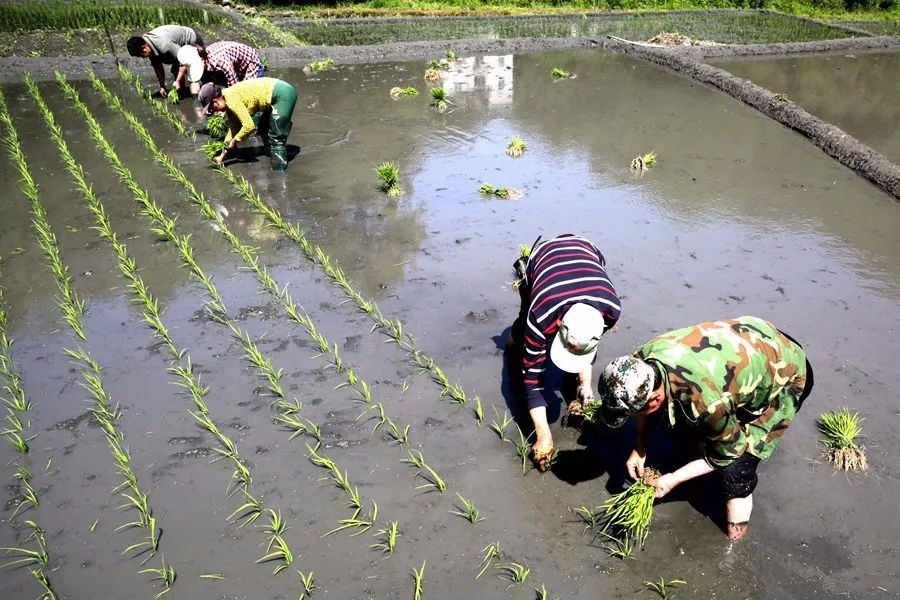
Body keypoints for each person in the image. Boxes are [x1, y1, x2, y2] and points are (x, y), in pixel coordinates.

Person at [596, 316, 814, 541]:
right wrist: (640, 448)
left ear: (654, 398)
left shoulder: (707, 403)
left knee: (736, 468)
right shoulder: (638, 364)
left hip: (788, 373)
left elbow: (729, 452)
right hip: (753, 341)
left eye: (635, 412)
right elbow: (649, 410)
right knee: (694, 427)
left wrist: (672, 479)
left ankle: (734, 536)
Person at [509, 234, 621, 470]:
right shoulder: (541, 315)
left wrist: (586, 387)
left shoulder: (611, 310)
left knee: (580, 349)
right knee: (522, 335)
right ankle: (512, 339)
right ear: (559, 323)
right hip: (544, 256)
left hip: (587, 248)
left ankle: (578, 384)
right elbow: (532, 382)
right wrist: (543, 434)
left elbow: (589, 343)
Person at [198, 78, 297, 171]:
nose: (214, 112)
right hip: (275, 93)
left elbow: (249, 126)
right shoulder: (227, 98)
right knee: (264, 127)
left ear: (216, 101)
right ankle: (271, 155)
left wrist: (235, 141)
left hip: (282, 94)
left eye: (212, 108)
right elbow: (233, 129)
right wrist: (222, 155)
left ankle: (279, 172)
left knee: (276, 136)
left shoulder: (232, 100)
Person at [127, 25, 203, 98]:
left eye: (142, 55)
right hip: (177, 46)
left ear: (144, 48)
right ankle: (182, 91)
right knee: (176, 71)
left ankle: (198, 94)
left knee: (194, 72)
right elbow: (157, 66)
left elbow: (183, 63)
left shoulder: (164, 44)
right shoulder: (147, 44)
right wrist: (162, 86)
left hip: (192, 40)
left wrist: (178, 80)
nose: (143, 58)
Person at [177, 41, 265, 95]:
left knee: (248, 93)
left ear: (202, 60)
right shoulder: (204, 56)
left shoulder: (219, 62)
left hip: (251, 62)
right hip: (236, 65)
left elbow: (235, 88)